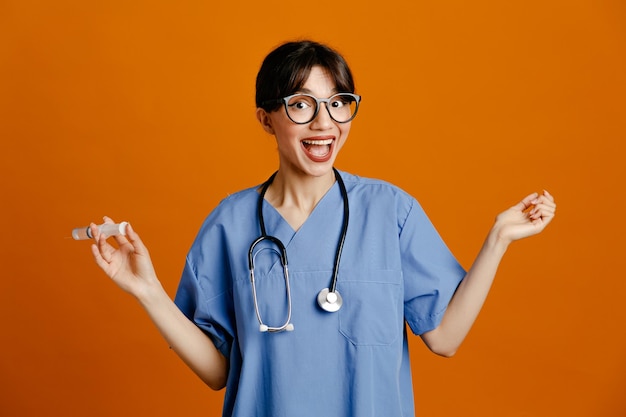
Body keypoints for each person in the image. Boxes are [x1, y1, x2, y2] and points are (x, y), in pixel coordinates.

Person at [89, 40, 556, 417]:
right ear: (266, 119)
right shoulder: (230, 224)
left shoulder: (390, 211)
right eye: (300, 105)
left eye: (338, 104)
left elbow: (446, 338)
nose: (324, 123)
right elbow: (217, 371)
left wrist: (498, 239)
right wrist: (147, 290)